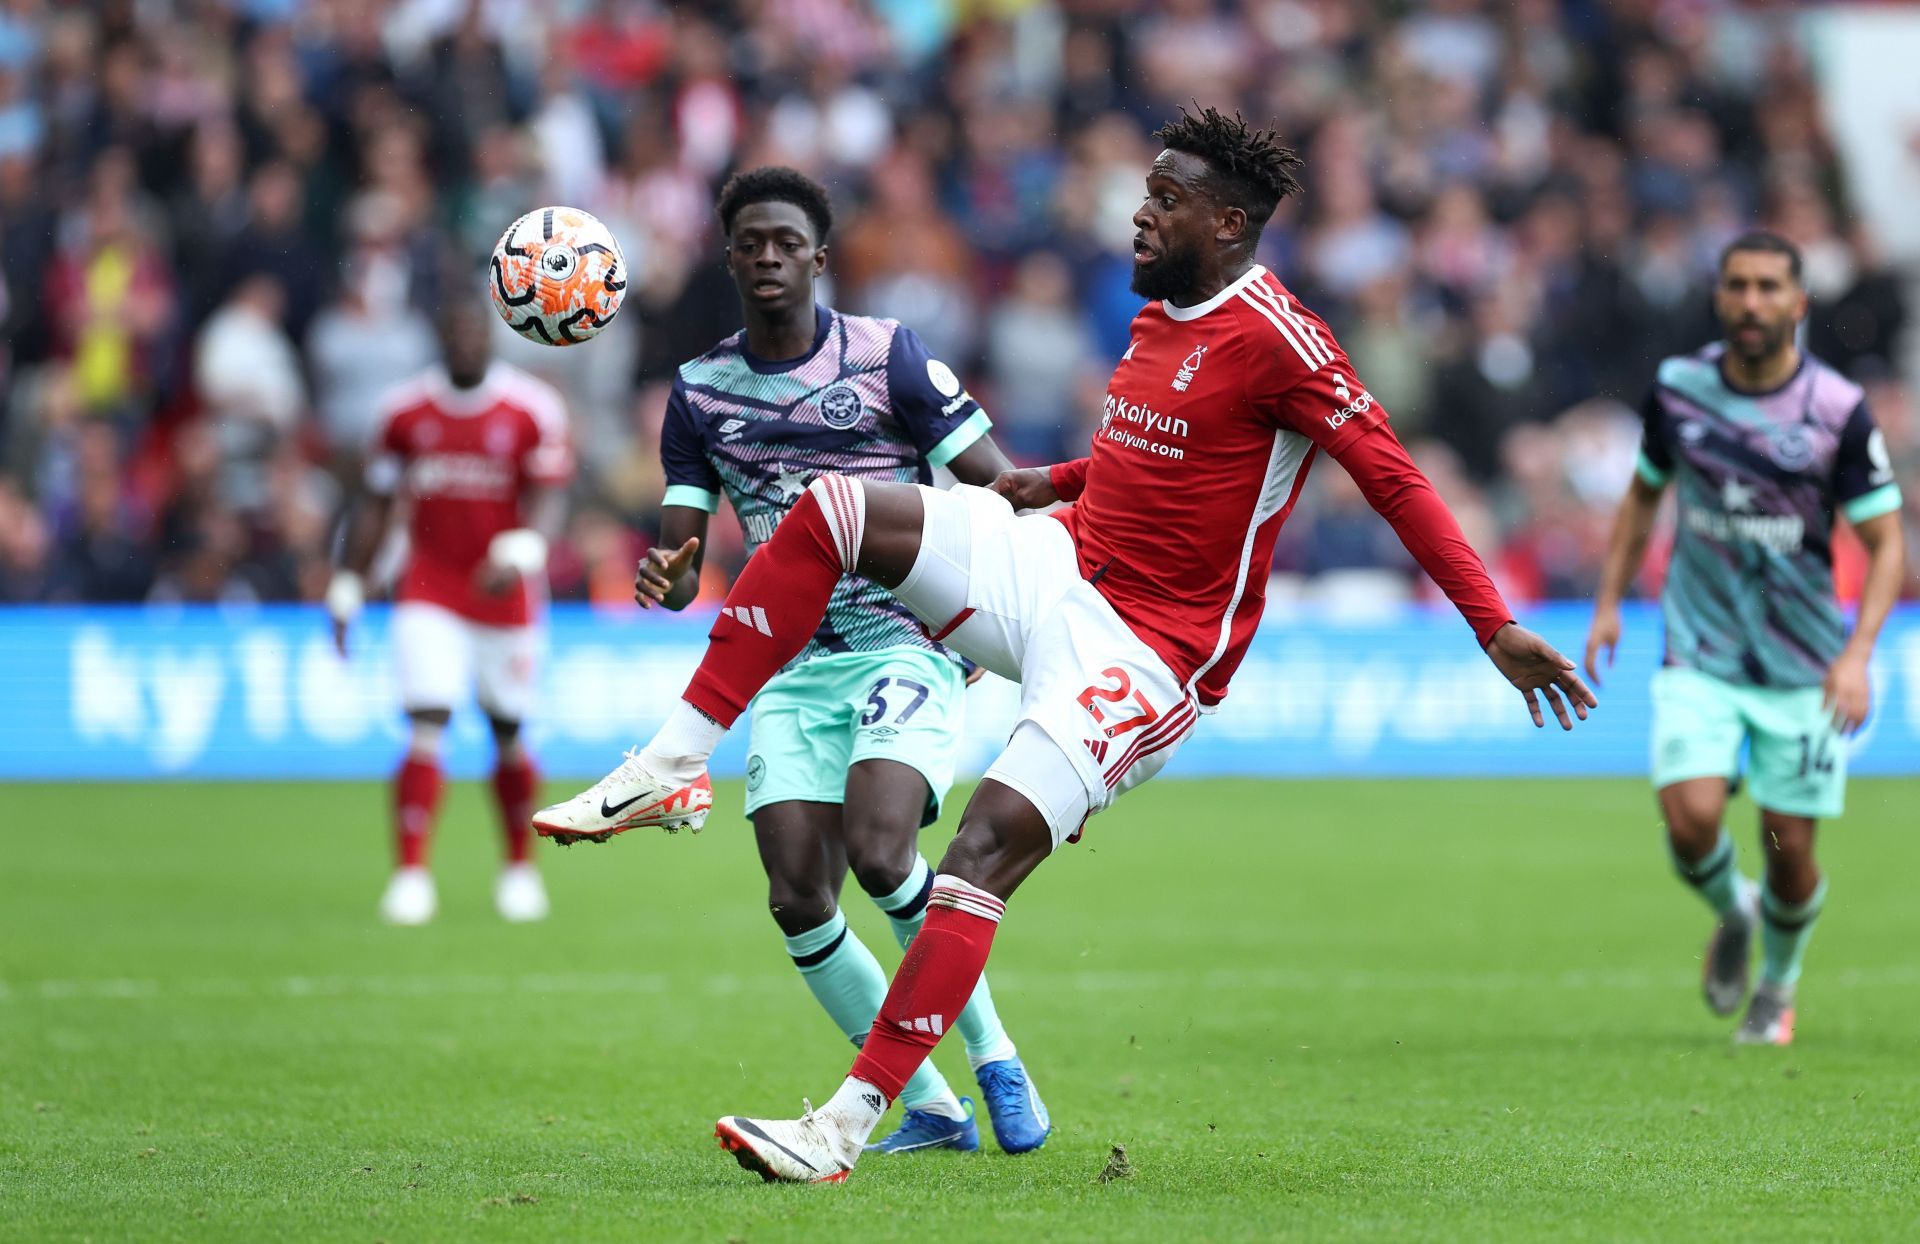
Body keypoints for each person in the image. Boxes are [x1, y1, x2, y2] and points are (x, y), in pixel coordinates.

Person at [535, 106, 1595, 1183]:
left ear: (1229, 223)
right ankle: (672, 762)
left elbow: (1395, 476)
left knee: (977, 855)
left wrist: (1494, 622)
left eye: (1166, 200)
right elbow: (1156, 455)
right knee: (835, 511)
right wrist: (1064, 480)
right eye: (1146, 189)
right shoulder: (1159, 314)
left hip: (1145, 652)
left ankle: (843, 1126)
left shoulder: (1282, 340)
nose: (1139, 214)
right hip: (1055, 562)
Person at [562, 166, 1049, 1156]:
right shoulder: (699, 393)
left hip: (903, 644)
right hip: (788, 666)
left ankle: (996, 1056)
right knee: (797, 894)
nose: (770, 256)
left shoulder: (888, 357)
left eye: (788, 241)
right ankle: (932, 1104)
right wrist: (668, 570)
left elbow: (997, 487)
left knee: (881, 853)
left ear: (819, 256)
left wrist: (1009, 619)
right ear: (729, 255)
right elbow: (683, 543)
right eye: (751, 242)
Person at [1585, 232, 1905, 1046]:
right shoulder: (1680, 390)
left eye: (1769, 287)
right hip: (1700, 646)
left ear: (1798, 304)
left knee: (1790, 850)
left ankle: (1779, 984)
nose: (1751, 301)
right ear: (1720, 297)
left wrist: (1858, 653)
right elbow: (1642, 497)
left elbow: (1886, 541)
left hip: (1802, 665)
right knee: (1689, 819)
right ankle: (1735, 910)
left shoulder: (1835, 410)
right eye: (1738, 285)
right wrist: (1610, 602)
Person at [329, 292, 573, 927]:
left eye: (476, 331)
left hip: (506, 596)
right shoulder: (404, 411)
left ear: (491, 337)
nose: (467, 341)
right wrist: (349, 582)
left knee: (509, 731)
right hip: (429, 587)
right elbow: (376, 502)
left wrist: (523, 547)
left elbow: (549, 496)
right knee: (427, 720)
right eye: (455, 330)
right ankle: (411, 874)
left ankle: (519, 868)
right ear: (440, 337)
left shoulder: (530, 408)